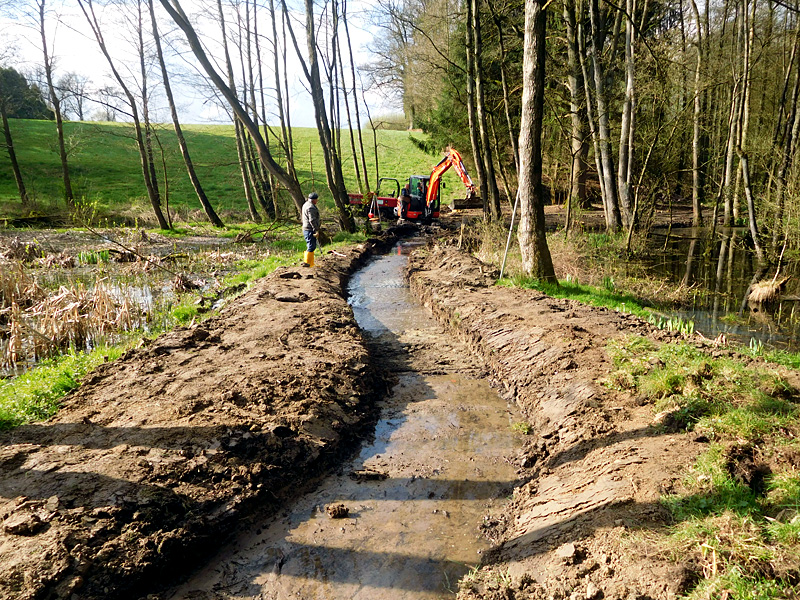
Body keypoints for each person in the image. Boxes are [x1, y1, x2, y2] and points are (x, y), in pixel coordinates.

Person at [302, 192, 320, 267]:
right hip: (309, 229)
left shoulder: (306, 204)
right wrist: (316, 230)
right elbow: (312, 220)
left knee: (311, 245)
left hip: (306, 228)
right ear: (314, 200)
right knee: (311, 246)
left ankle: (310, 263)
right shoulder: (311, 207)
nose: (317, 201)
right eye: (316, 200)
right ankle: (307, 263)